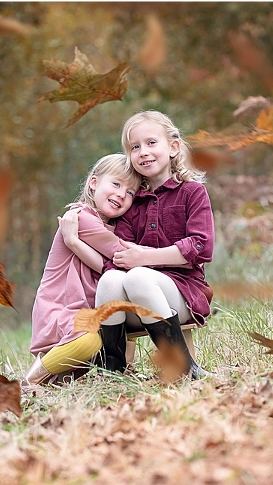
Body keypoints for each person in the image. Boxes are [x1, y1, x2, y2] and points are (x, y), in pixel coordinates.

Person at [94, 110, 215, 380]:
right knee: (111, 280)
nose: (143, 152)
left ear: (173, 147)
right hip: (137, 305)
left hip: (183, 296)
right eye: (135, 147)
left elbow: (201, 247)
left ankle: (182, 367)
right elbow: (120, 253)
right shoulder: (133, 202)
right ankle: (112, 369)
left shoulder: (192, 192)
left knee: (137, 276)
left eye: (151, 143)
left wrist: (146, 257)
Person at [22, 154, 142, 388]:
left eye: (130, 192)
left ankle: (55, 379)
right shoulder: (81, 218)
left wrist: (75, 244)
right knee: (89, 342)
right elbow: (122, 259)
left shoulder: (114, 227)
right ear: (94, 182)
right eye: (116, 184)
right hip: (60, 309)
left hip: (84, 312)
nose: (121, 194)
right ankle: (29, 380)